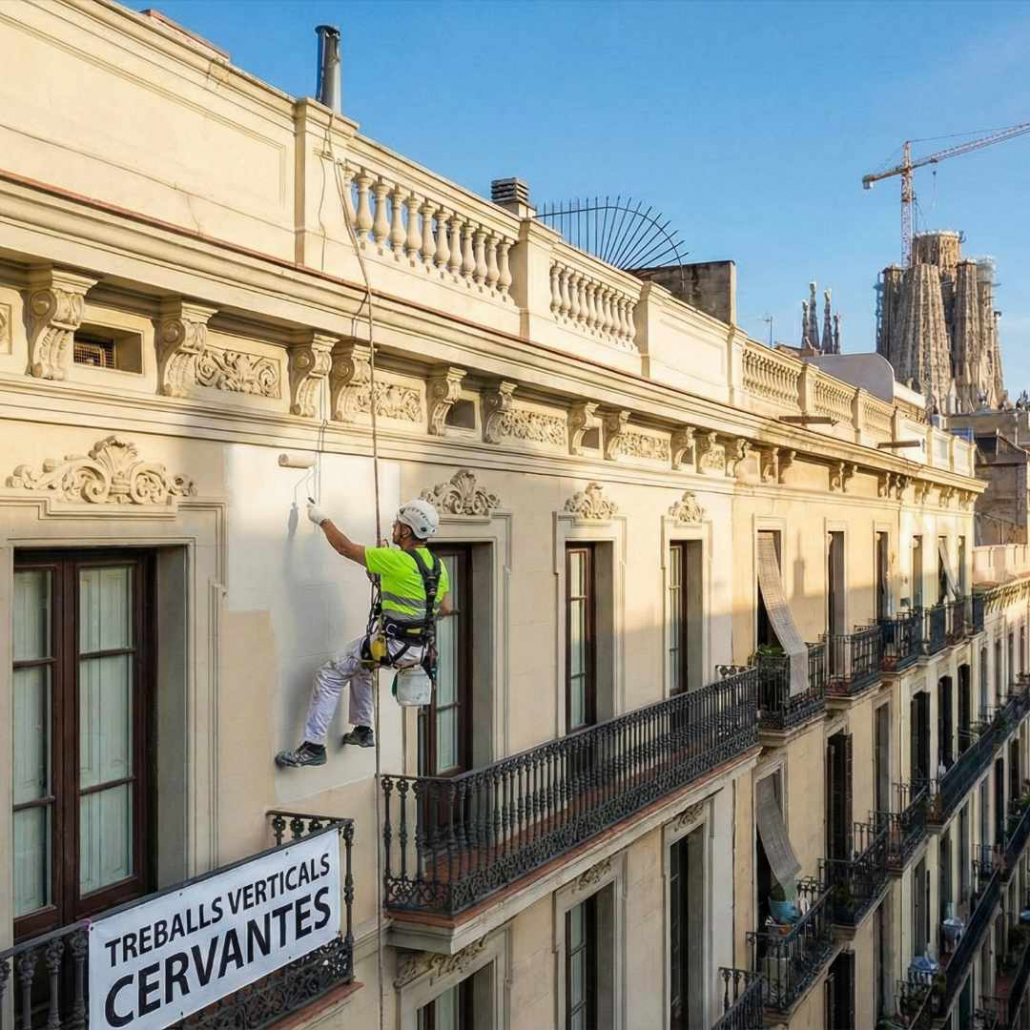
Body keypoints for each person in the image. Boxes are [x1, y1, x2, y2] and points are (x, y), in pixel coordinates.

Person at [275, 498, 450, 768]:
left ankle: (313, 746)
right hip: (417, 648)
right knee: (362, 667)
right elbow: (445, 607)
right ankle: (363, 729)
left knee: (331, 673)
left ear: (406, 531)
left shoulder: (396, 559)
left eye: (398, 524)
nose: (393, 526)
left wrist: (322, 519)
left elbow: (345, 548)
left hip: (392, 645)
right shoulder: (438, 567)